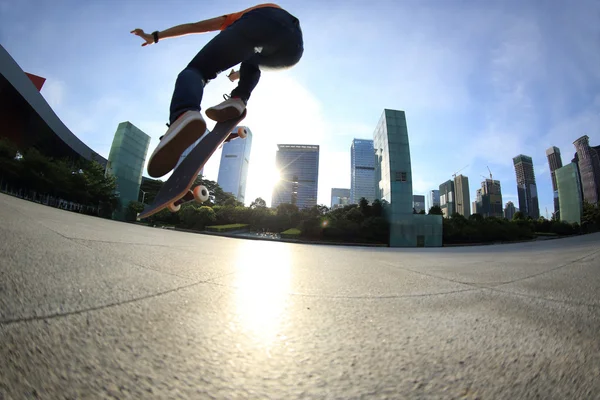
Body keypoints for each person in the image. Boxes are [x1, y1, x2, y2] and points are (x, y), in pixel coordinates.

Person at [131, 3, 304, 178]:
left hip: (262, 19)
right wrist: (237, 75)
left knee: (196, 71)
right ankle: (239, 99)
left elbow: (195, 26)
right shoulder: (278, 24)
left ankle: (184, 113)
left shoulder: (238, 17)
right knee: (253, 59)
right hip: (293, 49)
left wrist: (155, 36)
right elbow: (251, 61)